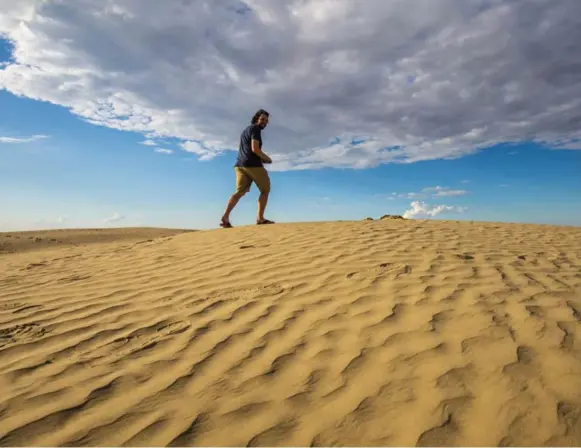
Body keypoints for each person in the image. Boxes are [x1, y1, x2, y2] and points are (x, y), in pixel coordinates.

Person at [220, 109, 275, 228]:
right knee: (265, 190)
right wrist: (267, 158)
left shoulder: (246, 130)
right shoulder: (255, 129)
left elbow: (248, 150)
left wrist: (261, 158)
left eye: (266, 120)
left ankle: (225, 217)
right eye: (262, 119)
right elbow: (254, 149)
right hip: (252, 165)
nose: (264, 122)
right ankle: (260, 218)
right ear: (256, 119)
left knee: (239, 192)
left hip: (240, 165)